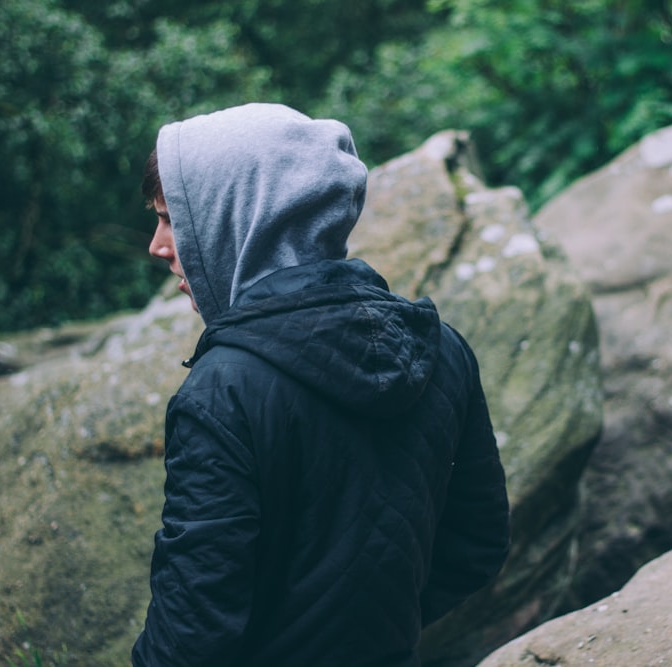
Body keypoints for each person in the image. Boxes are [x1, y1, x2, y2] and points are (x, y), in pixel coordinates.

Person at [132, 103, 510, 667]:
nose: (158, 246)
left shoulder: (223, 391)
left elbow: (192, 632)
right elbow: (477, 545)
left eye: (172, 218)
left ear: (239, 215)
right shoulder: (442, 348)